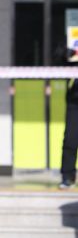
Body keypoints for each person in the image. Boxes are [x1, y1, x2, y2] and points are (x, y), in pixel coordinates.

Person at [59, 50, 78, 190]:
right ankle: (68, 177)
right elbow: (58, 62)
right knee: (70, 140)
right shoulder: (73, 40)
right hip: (75, 100)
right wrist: (67, 54)